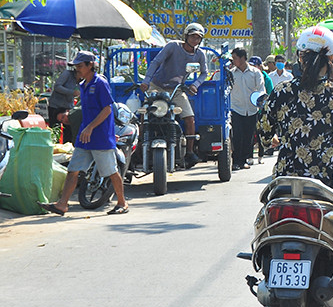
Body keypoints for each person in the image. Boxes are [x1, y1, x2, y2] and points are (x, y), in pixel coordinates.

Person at [258, 26, 333, 202]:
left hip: (287, 181)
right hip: (330, 180)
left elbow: (264, 129)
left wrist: (269, 140)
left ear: (300, 57)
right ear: (331, 58)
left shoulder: (281, 91)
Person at [42, 52, 129, 216]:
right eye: (76, 67)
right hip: (84, 137)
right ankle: (62, 205)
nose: (77, 70)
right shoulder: (83, 85)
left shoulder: (100, 83)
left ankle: (122, 203)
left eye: (80, 66)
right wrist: (84, 128)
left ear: (90, 65)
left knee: (111, 171)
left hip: (100, 137)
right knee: (73, 169)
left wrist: (90, 128)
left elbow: (107, 109)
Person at [140, 22, 209, 168]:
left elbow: (204, 73)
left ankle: (189, 152)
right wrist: (146, 81)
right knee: (144, 114)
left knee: (190, 118)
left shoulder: (199, 54)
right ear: (186, 36)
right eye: (192, 36)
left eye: (198, 38)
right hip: (156, 86)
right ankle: (140, 146)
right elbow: (156, 62)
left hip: (176, 89)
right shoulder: (173, 46)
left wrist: (195, 85)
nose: (195, 40)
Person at [228, 48, 266, 170]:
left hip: (252, 109)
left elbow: (261, 89)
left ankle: (243, 160)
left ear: (243, 58)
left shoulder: (255, 73)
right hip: (236, 108)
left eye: (235, 58)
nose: (233, 61)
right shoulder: (231, 73)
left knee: (248, 136)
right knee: (237, 135)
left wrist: (259, 99)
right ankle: (235, 161)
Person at [48, 63, 79, 142]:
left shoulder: (83, 81)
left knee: (69, 131)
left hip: (68, 107)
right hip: (56, 106)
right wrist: (71, 92)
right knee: (55, 130)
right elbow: (57, 86)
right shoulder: (67, 74)